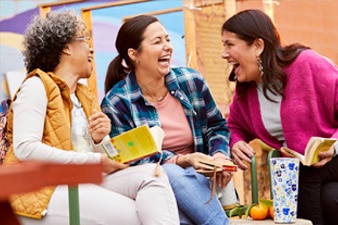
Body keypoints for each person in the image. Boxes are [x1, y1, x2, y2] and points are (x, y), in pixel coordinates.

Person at [3, 10, 179, 225]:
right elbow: (26, 148)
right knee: (134, 215)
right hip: (40, 189)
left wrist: (99, 140)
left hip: (79, 180)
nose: (92, 48)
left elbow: (95, 154)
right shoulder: (36, 86)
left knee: (153, 176)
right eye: (85, 40)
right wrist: (96, 160)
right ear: (66, 47)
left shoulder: (85, 95)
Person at [101, 14, 233, 225]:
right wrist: (180, 160)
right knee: (168, 171)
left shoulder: (191, 81)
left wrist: (219, 156)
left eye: (168, 40)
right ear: (135, 54)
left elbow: (217, 127)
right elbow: (133, 159)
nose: (168, 47)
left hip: (203, 182)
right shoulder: (117, 102)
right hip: (155, 189)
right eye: (157, 41)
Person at [221, 9, 338, 225]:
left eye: (230, 44)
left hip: (332, 157)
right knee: (331, 199)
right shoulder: (246, 91)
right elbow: (233, 126)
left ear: (257, 46)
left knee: (299, 170)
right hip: (311, 177)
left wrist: (334, 146)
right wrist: (235, 143)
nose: (224, 53)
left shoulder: (307, 64)